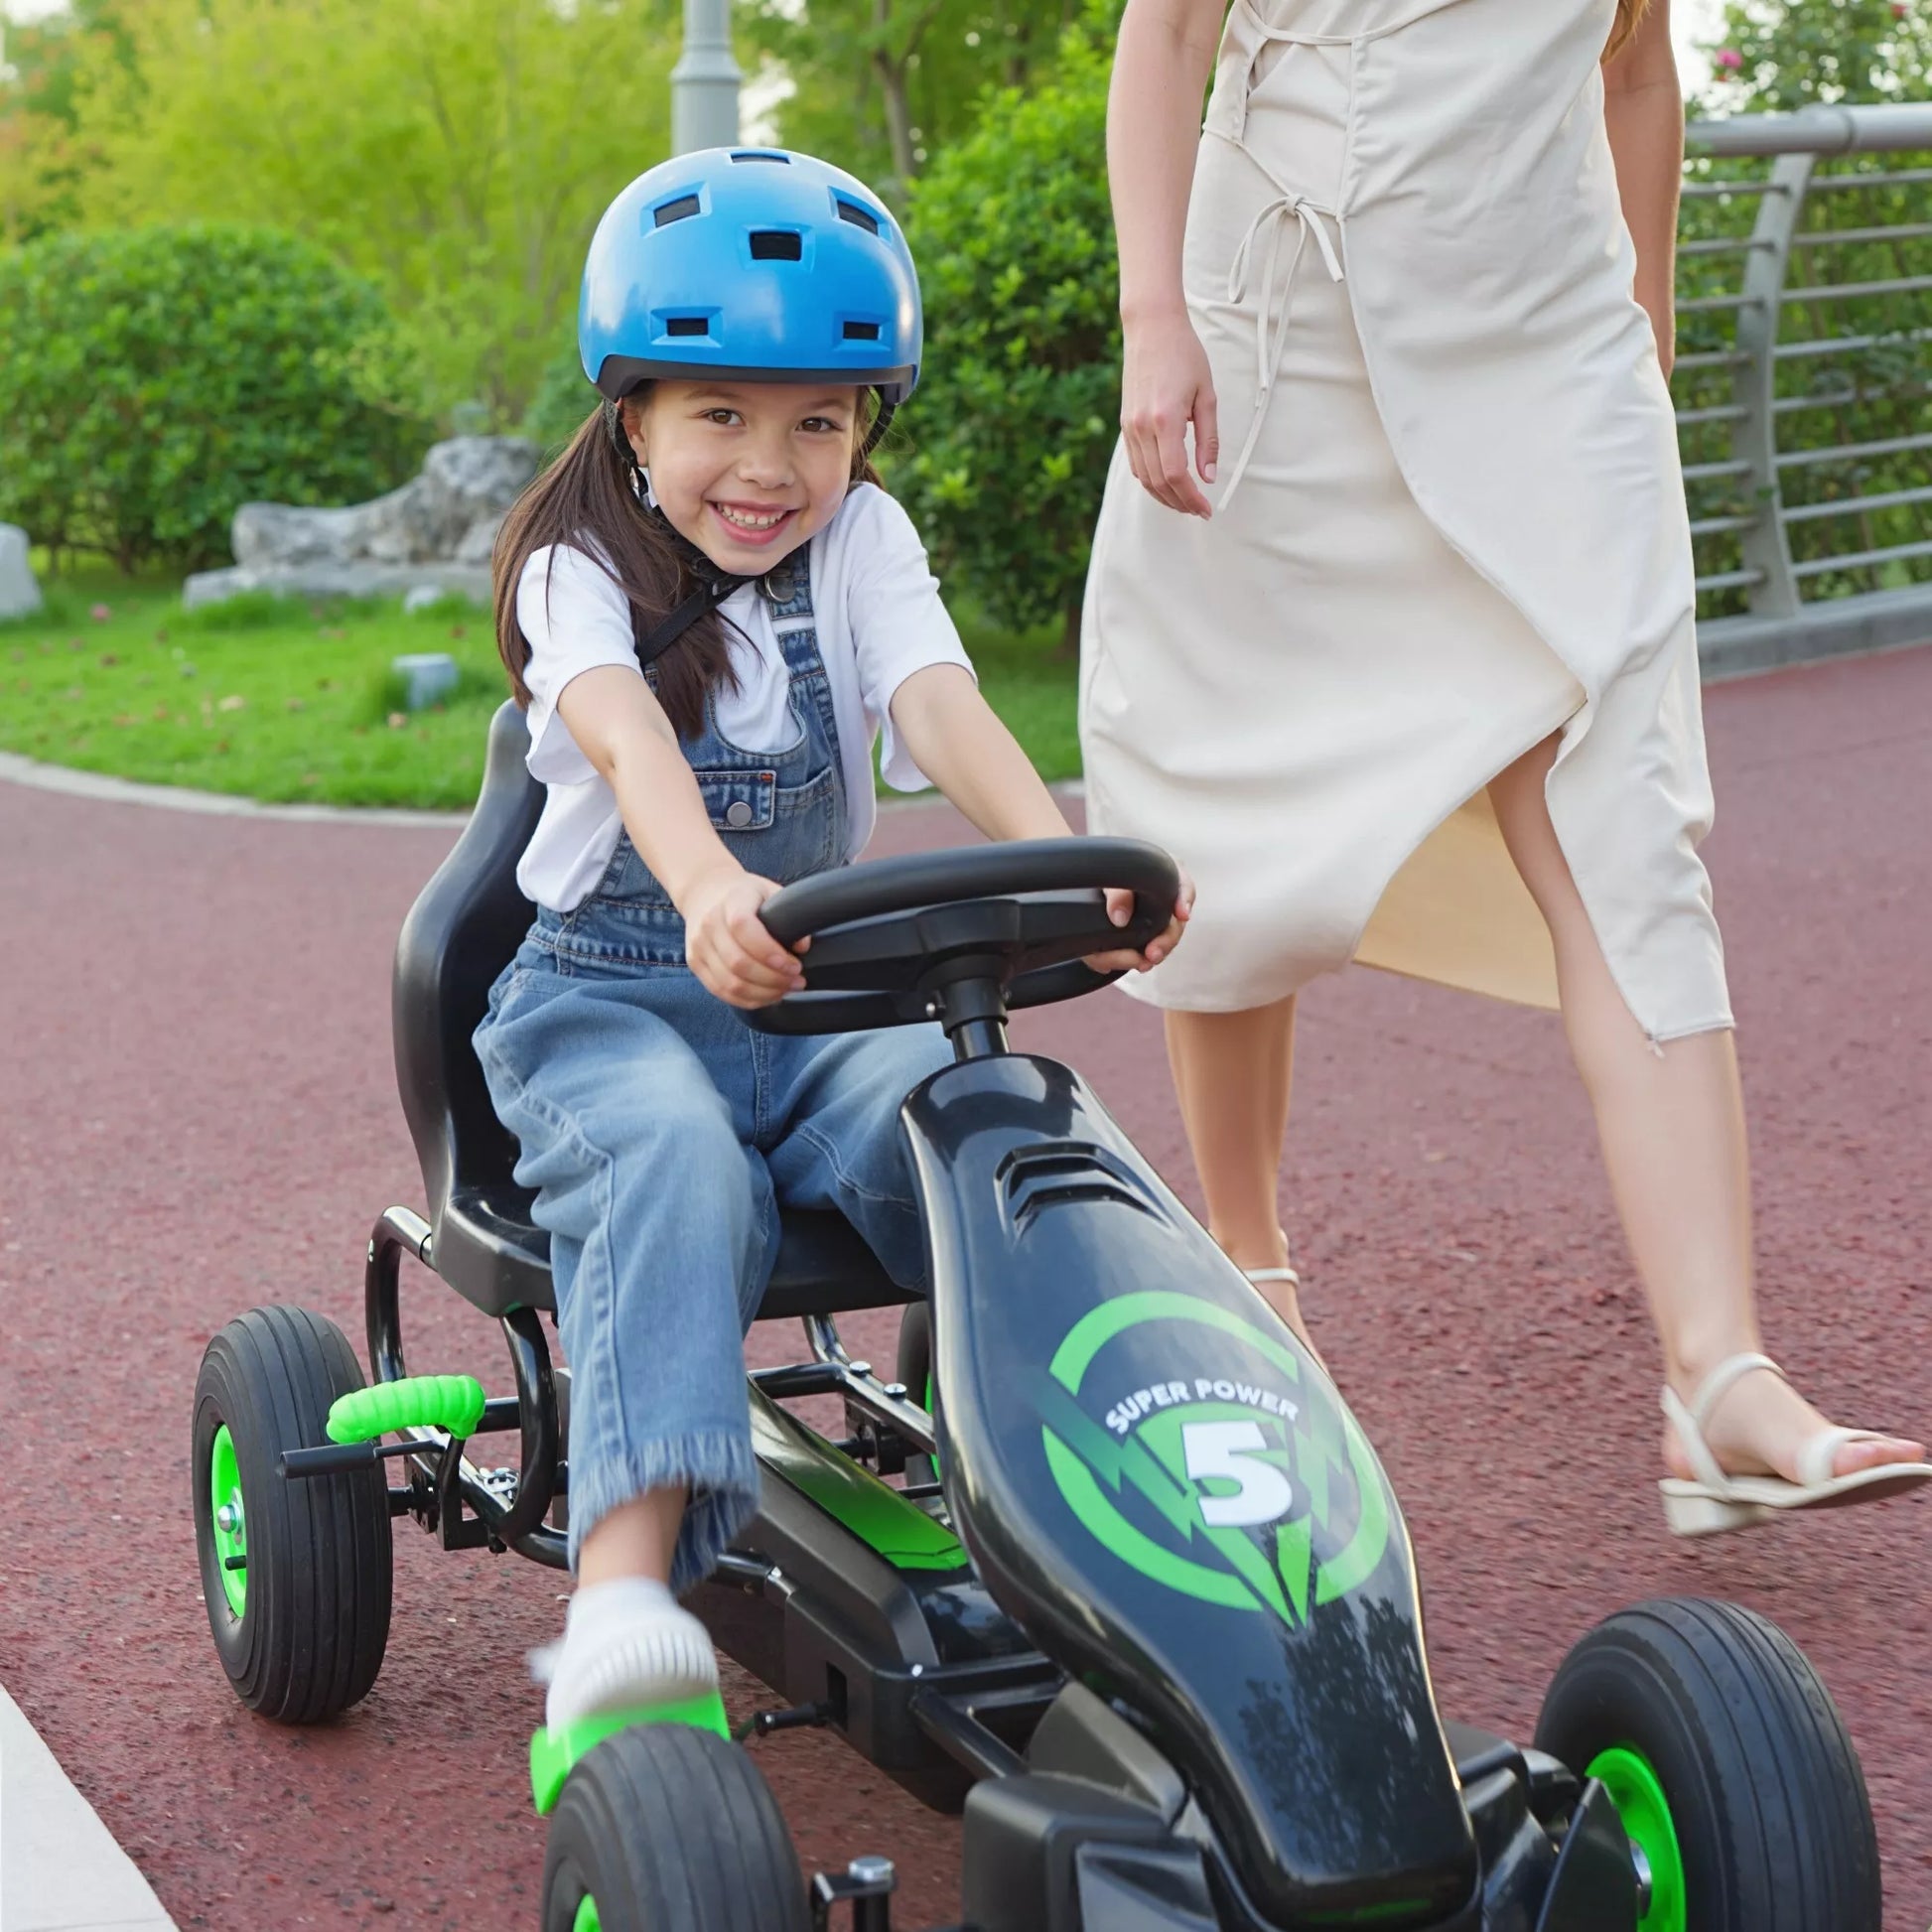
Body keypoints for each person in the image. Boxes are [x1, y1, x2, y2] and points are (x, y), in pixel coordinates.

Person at [1078, 0, 1928, 1536]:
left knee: (1628, 823)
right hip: (1275, 330)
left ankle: (1716, 1374)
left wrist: (1645, 348)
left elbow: (1636, 65)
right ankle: (1252, 1276)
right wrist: (1155, 317)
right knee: (1224, 799)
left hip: (1546, 355)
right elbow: (1167, 34)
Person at [477, 147, 1189, 1731]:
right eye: (720, 414)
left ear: (866, 425)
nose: (772, 463)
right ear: (634, 413)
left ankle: (1138, 1511)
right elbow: (625, 747)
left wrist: (1062, 859)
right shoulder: (569, 572)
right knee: (673, 1160)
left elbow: (937, 703)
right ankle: (619, 1601)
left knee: (991, 1122)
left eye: (819, 418)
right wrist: (713, 884)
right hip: (603, 1010)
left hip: (811, 1013)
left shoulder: (859, 546)